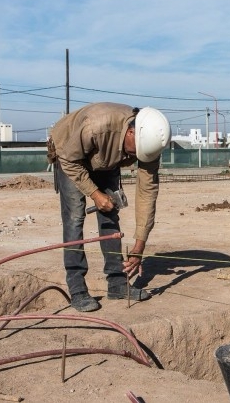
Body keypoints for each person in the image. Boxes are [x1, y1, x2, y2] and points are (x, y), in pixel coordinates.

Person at [48, 103, 171, 312]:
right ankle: (77, 289)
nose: (136, 157)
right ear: (130, 132)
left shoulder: (150, 144)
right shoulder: (95, 126)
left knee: (110, 212)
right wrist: (95, 194)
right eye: (136, 151)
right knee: (75, 218)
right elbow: (69, 160)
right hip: (71, 155)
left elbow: (147, 192)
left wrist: (139, 246)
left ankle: (117, 283)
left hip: (106, 158)